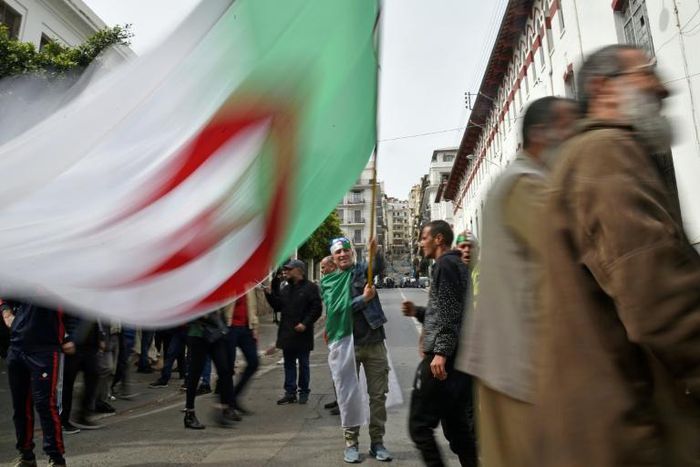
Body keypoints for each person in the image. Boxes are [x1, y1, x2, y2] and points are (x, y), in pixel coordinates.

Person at [537, 44, 700, 466]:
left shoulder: (593, 155)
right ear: (603, 89)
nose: (663, 89)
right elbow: (658, 298)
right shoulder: (605, 153)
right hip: (634, 430)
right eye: (647, 73)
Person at [455, 96, 578, 467]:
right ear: (542, 135)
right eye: (570, 130)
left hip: (511, 370)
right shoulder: (526, 184)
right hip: (523, 374)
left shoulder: (516, 182)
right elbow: (574, 258)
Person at [402, 221, 477, 467]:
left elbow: (451, 312)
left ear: (439, 239)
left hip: (442, 360)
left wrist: (441, 352)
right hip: (459, 360)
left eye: (424, 237)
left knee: (419, 426)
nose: (420, 242)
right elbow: (445, 310)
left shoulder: (445, 264)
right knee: (457, 430)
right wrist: (418, 312)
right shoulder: (455, 266)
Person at [330, 237, 392, 463]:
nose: (343, 254)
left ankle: (378, 443)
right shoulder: (330, 280)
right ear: (334, 258)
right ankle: (351, 443)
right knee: (348, 397)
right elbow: (338, 311)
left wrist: (374, 251)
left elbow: (377, 266)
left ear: (351, 253)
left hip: (374, 340)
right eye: (338, 252)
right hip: (348, 344)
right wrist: (364, 299)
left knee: (378, 396)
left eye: (346, 250)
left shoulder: (361, 271)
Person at [2, 300, 67, 467]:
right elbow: (5, 295)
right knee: (20, 407)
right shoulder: (19, 275)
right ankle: (26, 456)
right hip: (17, 348)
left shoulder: (57, 276)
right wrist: (6, 313)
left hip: (44, 349)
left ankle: (56, 459)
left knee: (45, 405)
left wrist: (72, 336)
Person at [265, 259, 322, 405]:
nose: (286, 272)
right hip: (287, 333)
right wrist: (269, 294)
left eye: (289, 269)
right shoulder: (286, 289)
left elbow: (316, 309)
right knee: (288, 364)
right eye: (286, 270)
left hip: (303, 334)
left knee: (303, 364)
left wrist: (305, 323)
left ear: (299, 271)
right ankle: (290, 392)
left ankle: (304, 391)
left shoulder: (311, 288)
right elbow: (278, 306)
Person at [183, 309, 238, 429]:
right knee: (195, 374)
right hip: (198, 333)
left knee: (224, 370)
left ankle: (222, 408)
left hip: (216, 332)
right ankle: (189, 414)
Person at [61, 314, 106, 432]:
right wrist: (66, 339)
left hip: (90, 346)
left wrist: (100, 337)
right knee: (67, 384)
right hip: (72, 346)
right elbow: (59, 318)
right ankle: (62, 420)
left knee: (93, 377)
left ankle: (82, 415)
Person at [224, 285, 260, 414]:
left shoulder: (248, 284)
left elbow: (253, 308)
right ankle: (228, 404)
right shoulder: (228, 282)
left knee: (254, 362)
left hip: (246, 328)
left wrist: (255, 328)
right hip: (229, 328)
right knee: (227, 367)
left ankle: (233, 396)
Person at [319, 255, 341, 416]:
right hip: (333, 331)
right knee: (335, 369)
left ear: (332, 267)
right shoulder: (327, 283)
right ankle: (338, 398)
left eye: (324, 267)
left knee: (341, 370)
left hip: (342, 332)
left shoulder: (338, 282)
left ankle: (343, 402)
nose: (322, 271)